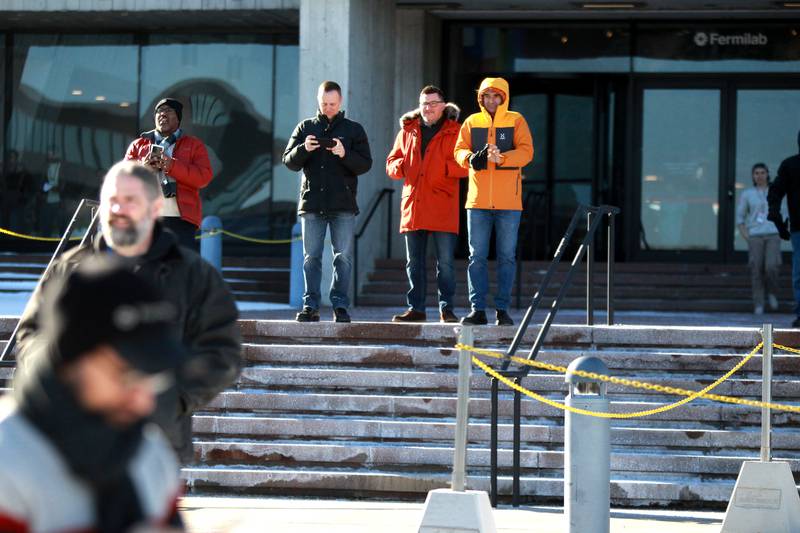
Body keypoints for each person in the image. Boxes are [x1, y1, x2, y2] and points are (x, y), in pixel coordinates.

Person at [16, 160, 241, 463]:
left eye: (130, 201)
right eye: (112, 201)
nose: (119, 210)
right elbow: (31, 334)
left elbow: (223, 353)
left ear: (154, 207)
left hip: (156, 446)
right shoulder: (69, 269)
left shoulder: (193, 274)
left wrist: (170, 398)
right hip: (69, 444)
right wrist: (64, 381)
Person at [0, 258, 185, 532]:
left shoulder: (151, 454)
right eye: (125, 374)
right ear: (69, 363)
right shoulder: (9, 463)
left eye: (154, 377)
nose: (144, 399)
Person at [282, 80, 372, 323]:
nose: (328, 108)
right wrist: (304, 149)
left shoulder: (353, 129)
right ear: (318, 101)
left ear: (340, 101)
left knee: (342, 257)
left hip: (343, 204)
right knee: (311, 258)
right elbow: (288, 161)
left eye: (332, 104)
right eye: (324, 104)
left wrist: (345, 154)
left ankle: (340, 305)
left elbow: (366, 164)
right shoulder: (305, 127)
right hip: (311, 203)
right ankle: (310, 306)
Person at [453, 77, 534, 326]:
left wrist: (503, 158)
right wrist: (471, 159)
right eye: (486, 96)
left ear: (503, 97)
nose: (490, 100)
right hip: (477, 202)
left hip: (509, 202)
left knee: (506, 256)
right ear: (481, 98)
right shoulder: (471, 121)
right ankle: (477, 309)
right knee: (476, 256)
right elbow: (458, 151)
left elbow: (527, 152)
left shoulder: (516, 120)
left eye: (495, 96)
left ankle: (502, 309)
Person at [386, 85, 467, 323]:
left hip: (443, 203)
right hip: (415, 203)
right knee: (414, 262)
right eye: (424, 103)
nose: (428, 108)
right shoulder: (408, 130)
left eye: (433, 103)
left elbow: (466, 165)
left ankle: (447, 309)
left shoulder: (457, 131)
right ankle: (417, 309)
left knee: (446, 263)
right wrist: (398, 167)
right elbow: (392, 160)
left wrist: (442, 170)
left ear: (443, 105)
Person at [125, 97, 213, 249]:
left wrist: (172, 165)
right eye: (159, 111)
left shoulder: (194, 145)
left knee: (179, 267)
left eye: (168, 111)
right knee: (146, 268)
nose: (162, 114)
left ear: (178, 118)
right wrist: (143, 168)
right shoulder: (138, 145)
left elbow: (203, 177)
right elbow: (123, 180)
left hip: (181, 221)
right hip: (145, 217)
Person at [737, 163, 781, 315]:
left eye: (762, 172)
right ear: (752, 176)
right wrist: (747, 236)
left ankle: (773, 293)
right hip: (755, 235)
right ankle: (759, 303)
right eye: (756, 173)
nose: (760, 175)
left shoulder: (776, 191)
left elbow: (785, 212)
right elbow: (740, 218)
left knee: (771, 266)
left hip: (773, 233)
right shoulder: (747, 194)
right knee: (756, 269)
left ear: (768, 174)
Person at [768, 130, 800, 327]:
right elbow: (775, 193)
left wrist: (778, 220)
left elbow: (775, 193)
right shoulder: (790, 165)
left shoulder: (790, 165)